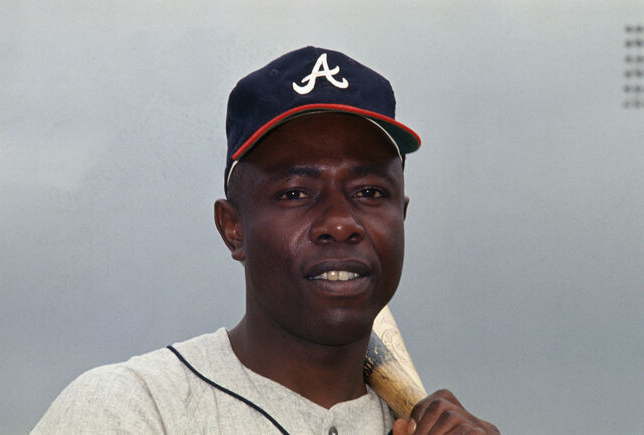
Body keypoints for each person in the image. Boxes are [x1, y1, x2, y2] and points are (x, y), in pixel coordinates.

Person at [33, 46, 499, 434]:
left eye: (369, 192)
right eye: (295, 193)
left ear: (402, 214)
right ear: (232, 228)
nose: (340, 222)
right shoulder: (126, 408)